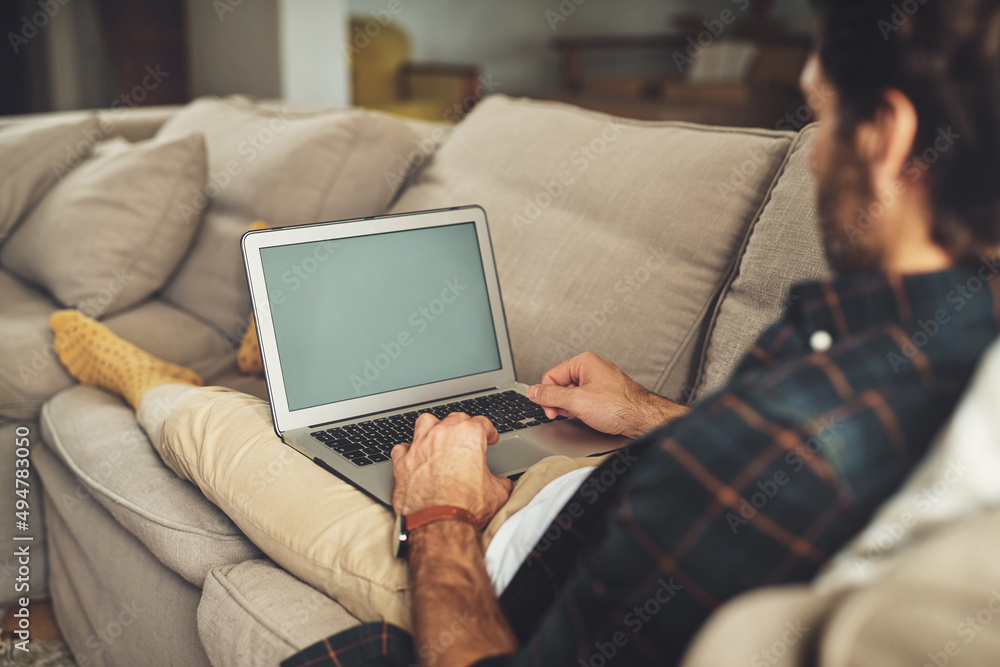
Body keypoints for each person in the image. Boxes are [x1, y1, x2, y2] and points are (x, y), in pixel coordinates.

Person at [49, 0, 1000, 664]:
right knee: (413, 412)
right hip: (585, 476)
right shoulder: (924, 349)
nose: (817, 150)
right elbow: (753, 476)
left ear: (885, 140)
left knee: (222, 435)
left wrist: (440, 514)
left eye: (824, 115)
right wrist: (649, 412)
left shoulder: (809, 427)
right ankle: (263, 359)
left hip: (494, 563)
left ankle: (158, 383)